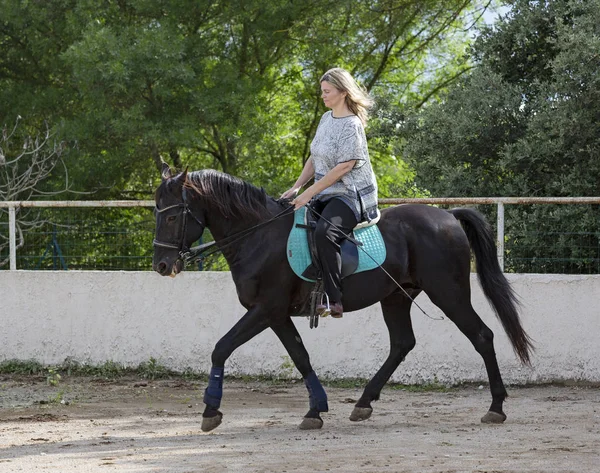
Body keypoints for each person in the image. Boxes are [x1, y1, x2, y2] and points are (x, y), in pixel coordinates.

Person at [281, 67, 378, 318]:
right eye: (322, 91)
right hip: (323, 194)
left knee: (326, 232)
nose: (322, 96)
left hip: (348, 195)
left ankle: (334, 299)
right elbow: (315, 158)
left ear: (343, 93)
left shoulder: (352, 125)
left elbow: (344, 167)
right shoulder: (326, 119)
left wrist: (307, 194)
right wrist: (296, 187)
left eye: (327, 91)